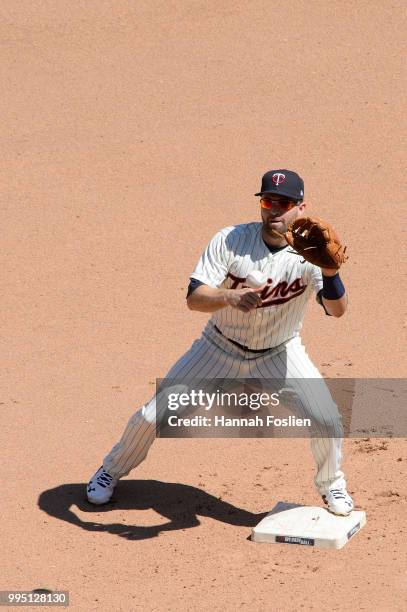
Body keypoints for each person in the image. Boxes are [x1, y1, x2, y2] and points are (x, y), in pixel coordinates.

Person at [86, 169, 354, 516]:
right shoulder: (230, 240)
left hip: (279, 353)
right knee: (152, 416)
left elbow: (338, 311)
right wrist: (229, 297)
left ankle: (332, 484)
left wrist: (331, 274)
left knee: (327, 419)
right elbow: (194, 298)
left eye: (284, 203)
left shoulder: (311, 254)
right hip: (218, 349)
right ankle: (110, 469)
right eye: (268, 201)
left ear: (300, 207)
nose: (274, 209)